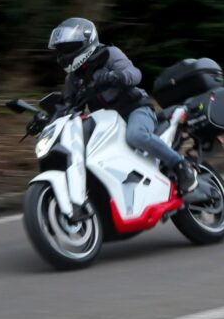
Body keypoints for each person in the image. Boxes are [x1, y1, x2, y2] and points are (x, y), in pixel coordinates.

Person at [47, 17, 198, 193]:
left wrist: (116, 77)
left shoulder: (109, 54)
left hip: (136, 109)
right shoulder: (72, 78)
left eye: (67, 48)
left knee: (136, 135)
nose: (63, 54)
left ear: (85, 42)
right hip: (108, 122)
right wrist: (50, 118)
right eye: (61, 49)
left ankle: (181, 166)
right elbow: (71, 106)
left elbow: (135, 74)